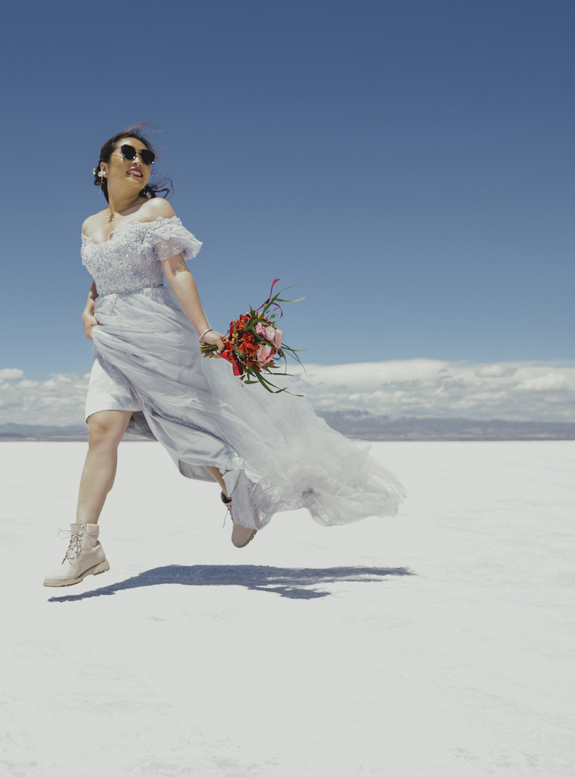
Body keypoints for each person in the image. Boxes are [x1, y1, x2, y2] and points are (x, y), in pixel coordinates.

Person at [43, 127, 406, 588]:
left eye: (147, 157)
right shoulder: (89, 225)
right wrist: (88, 305)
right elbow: (101, 273)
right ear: (102, 166)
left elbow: (176, 271)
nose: (140, 161)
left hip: (156, 329)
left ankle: (240, 493)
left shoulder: (156, 210)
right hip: (112, 338)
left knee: (187, 424)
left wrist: (204, 330)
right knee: (101, 429)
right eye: (129, 152)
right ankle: (85, 546)